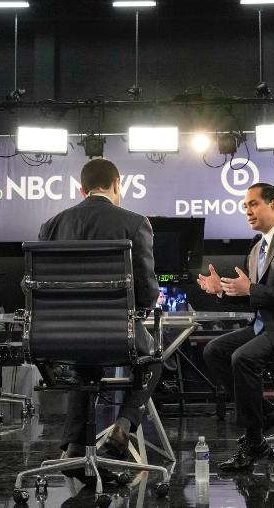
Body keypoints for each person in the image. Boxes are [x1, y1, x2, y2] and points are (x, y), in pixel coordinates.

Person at [38, 158, 162, 474]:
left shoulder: (52, 225)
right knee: (157, 357)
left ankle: (75, 447)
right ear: (118, 184)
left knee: (85, 365)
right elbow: (147, 295)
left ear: (82, 189)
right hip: (117, 335)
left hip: (60, 337)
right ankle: (123, 426)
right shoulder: (135, 223)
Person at [198, 183, 274, 471]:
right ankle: (266, 413)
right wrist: (222, 290)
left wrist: (250, 288)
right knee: (214, 351)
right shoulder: (255, 250)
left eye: (254, 204)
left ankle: (254, 442)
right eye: (245, 207)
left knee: (243, 357)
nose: (248, 211)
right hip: (265, 326)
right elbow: (252, 299)